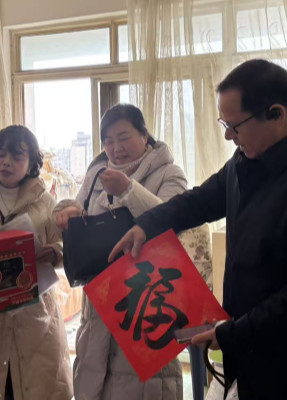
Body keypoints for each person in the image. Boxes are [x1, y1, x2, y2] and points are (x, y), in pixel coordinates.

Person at [111, 60, 287, 400]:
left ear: (276, 114)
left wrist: (232, 333)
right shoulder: (248, 157)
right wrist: (147, 224)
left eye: (235, 126)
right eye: (224, 124)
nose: (228, 136)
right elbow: (201, 200)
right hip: (252, 355)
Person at [54, 103, 188, 400]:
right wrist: (69, 212)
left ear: (145, 135)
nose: (116, 148)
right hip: (99, 298)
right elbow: (79, 208)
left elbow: (173, 224)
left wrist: (128, 190)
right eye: (108, 141)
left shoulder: (170, 173)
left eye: (124, 137)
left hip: (146, 300)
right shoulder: (96, 174)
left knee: (143, 385)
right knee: (94, 379)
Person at [0, 125, 73, 400]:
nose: (6, 162)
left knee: (35, 387)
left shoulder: (44, 200)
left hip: (34, 318)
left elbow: (64, 245)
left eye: (17, 157)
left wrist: (54, 252)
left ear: (31, 164)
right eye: (1, 154)